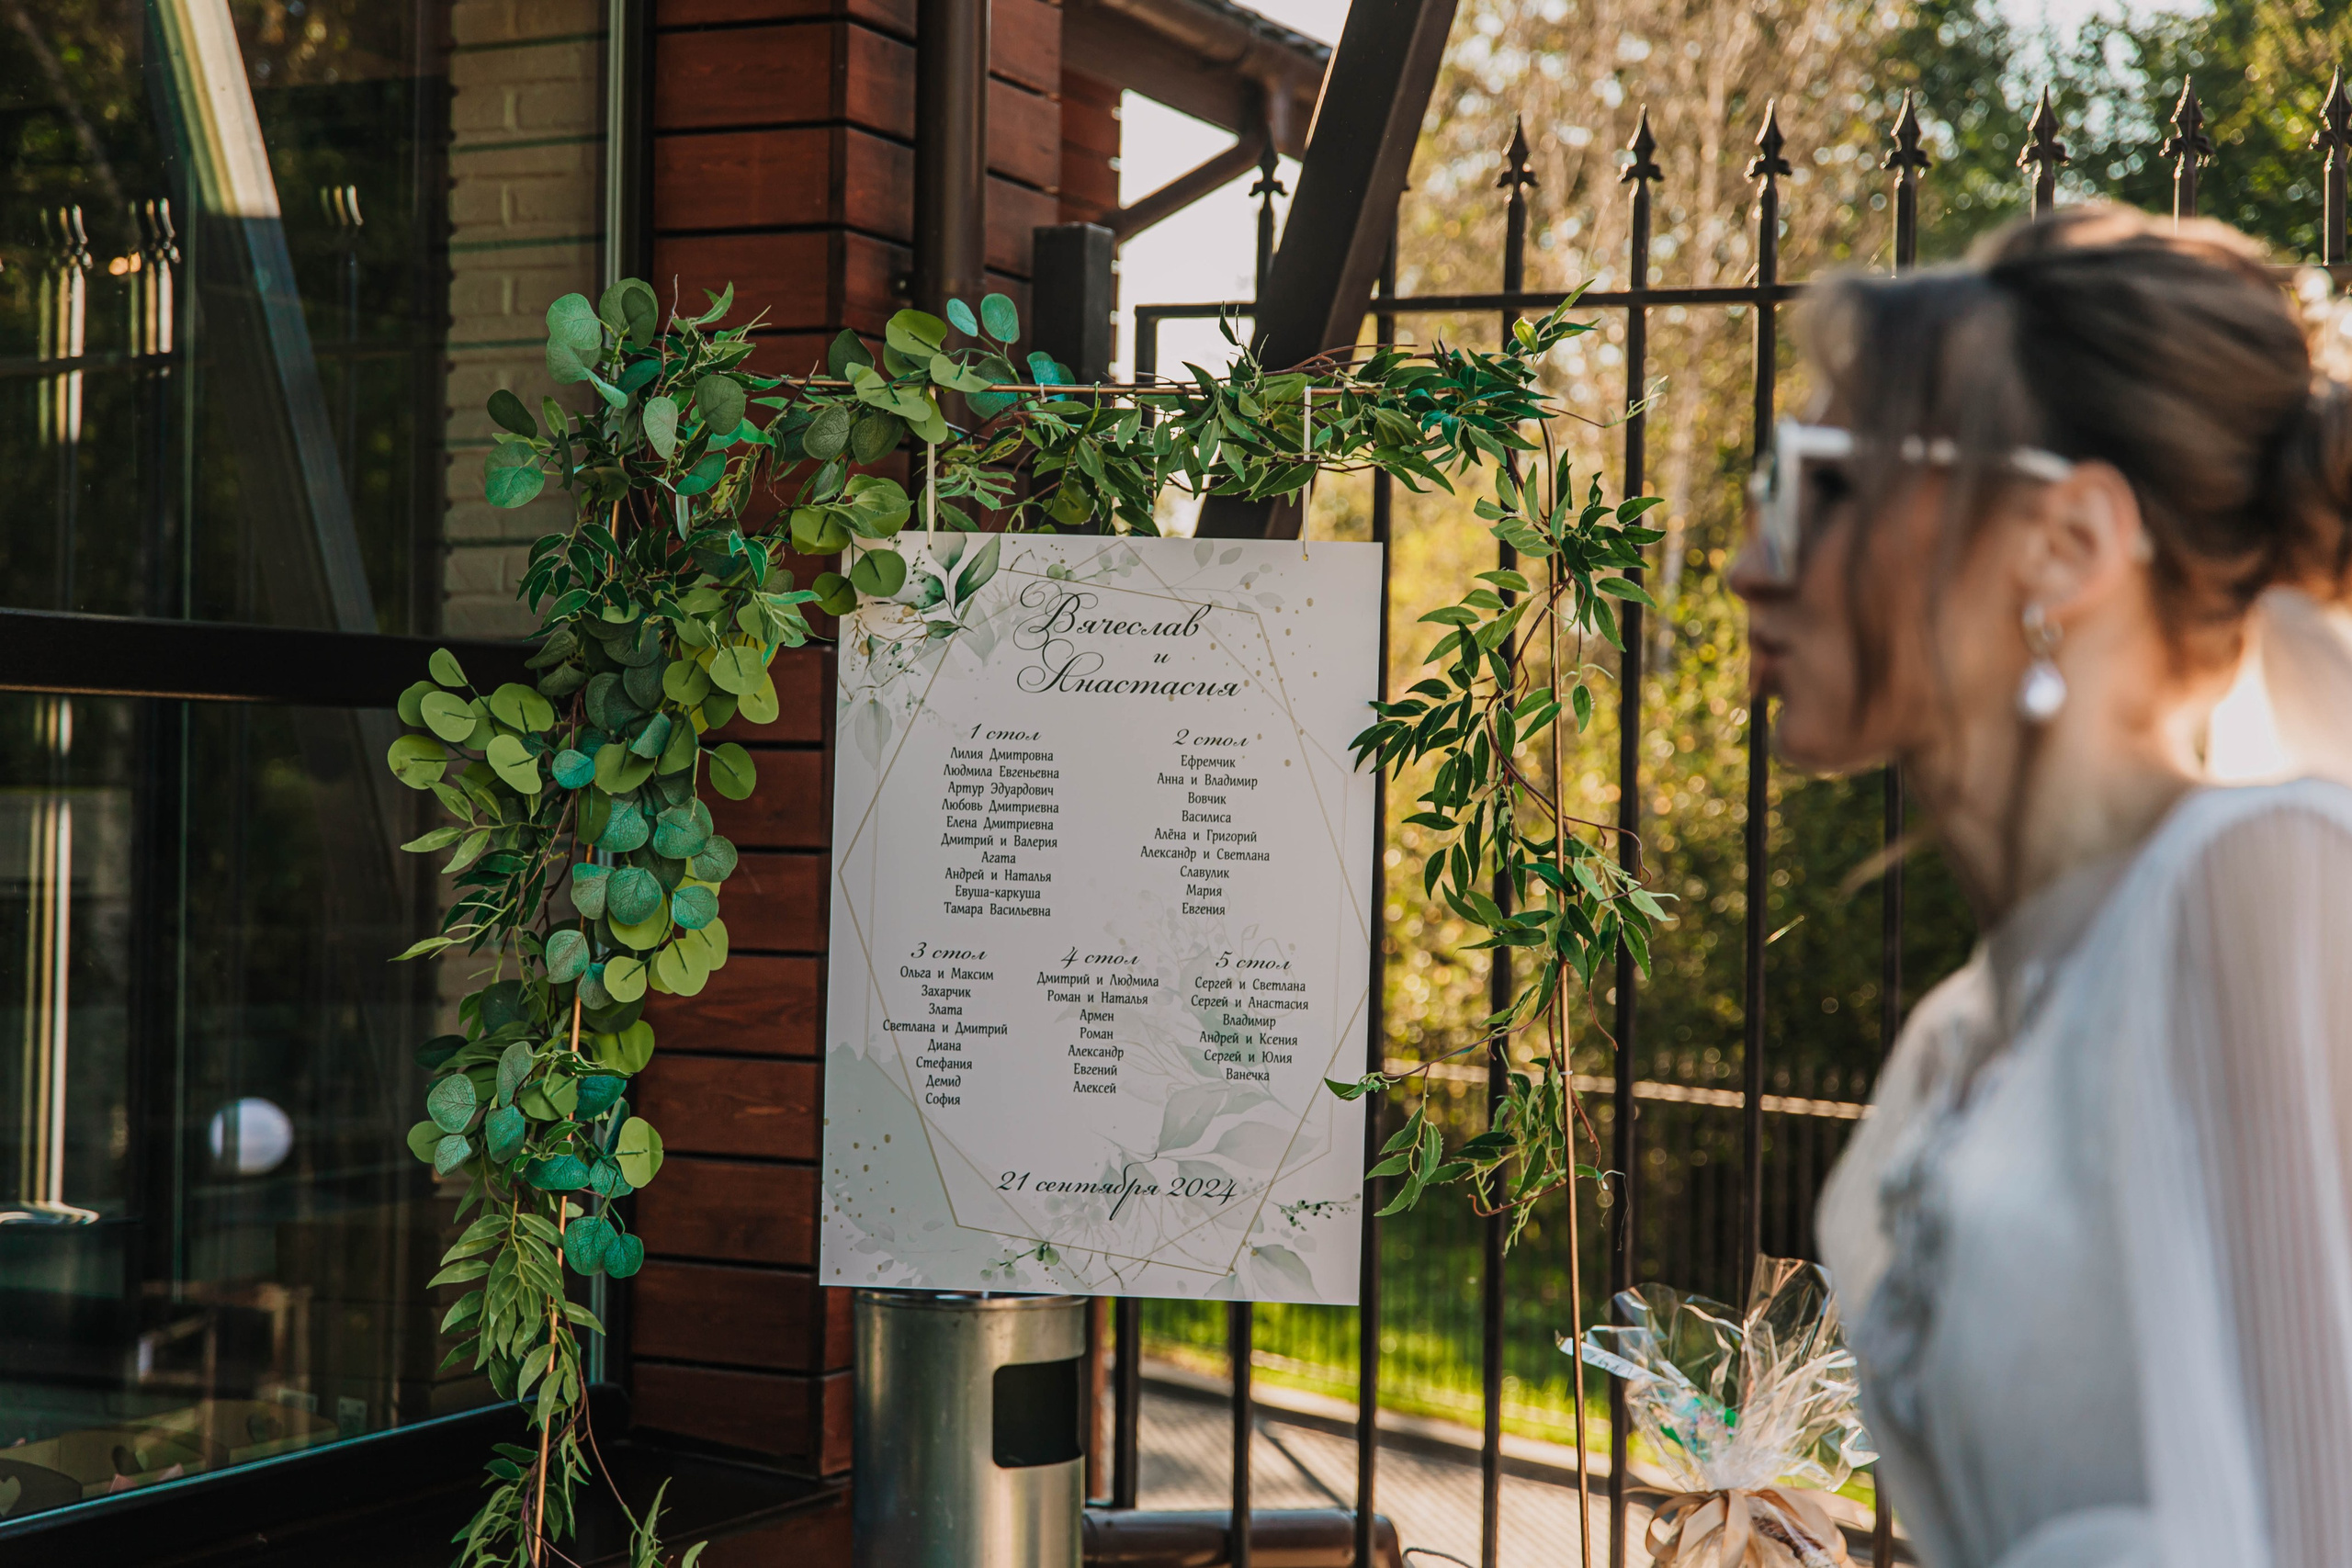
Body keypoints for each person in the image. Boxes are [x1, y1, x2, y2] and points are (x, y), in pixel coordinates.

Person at [1731, 206, 2352, 1568]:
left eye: (1814, 484)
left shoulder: (2258, 888)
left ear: (2066, 543)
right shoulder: (1962, 1038)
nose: (1747, 566)